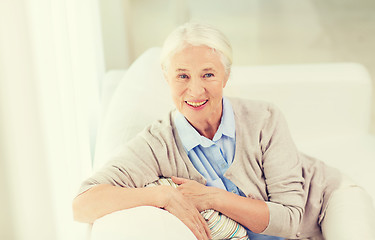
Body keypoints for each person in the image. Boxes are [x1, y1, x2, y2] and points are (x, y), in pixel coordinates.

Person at [73, 22, 375, 240]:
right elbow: (83, 203)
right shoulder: (156, 144)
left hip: (327, 200)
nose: (195, 89)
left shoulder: (265, 118)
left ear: (226, 76)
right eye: (182, 75)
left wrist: (211, 198)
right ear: (166, 77)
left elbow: (289, 219)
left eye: (208, 74)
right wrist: (160, 196)